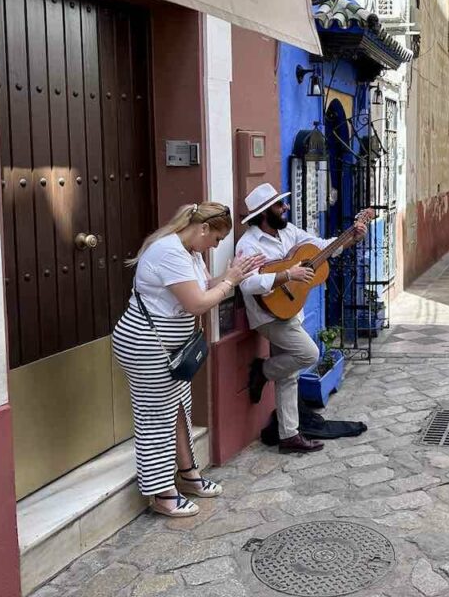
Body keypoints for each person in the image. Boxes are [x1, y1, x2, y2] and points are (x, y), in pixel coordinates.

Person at [112, 203, 264, 517]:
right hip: (147, 345)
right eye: (217, 239)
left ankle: (188, 475)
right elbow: (197, 303)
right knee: (155, 417)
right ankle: (162, 493)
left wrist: (235, 273)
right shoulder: (168, 252)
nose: (216, 245)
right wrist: (231, 281)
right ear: (204, 228)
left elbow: (206, 287)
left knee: (180, 407)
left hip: (172, 348)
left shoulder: (190, 252)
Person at [238, 183, 366, 454]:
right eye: (278, 205)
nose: (285, 208)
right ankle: (262, 370)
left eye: (282, 204)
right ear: (263, 213)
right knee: (309, 354)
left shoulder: (289, 232)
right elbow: (247, 284)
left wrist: (350, 238)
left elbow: (319, 247)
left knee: (290, 375)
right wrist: (287, 275)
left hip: (291, 307)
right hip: (267, 315)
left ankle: (289, 436)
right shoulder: (248, 244)